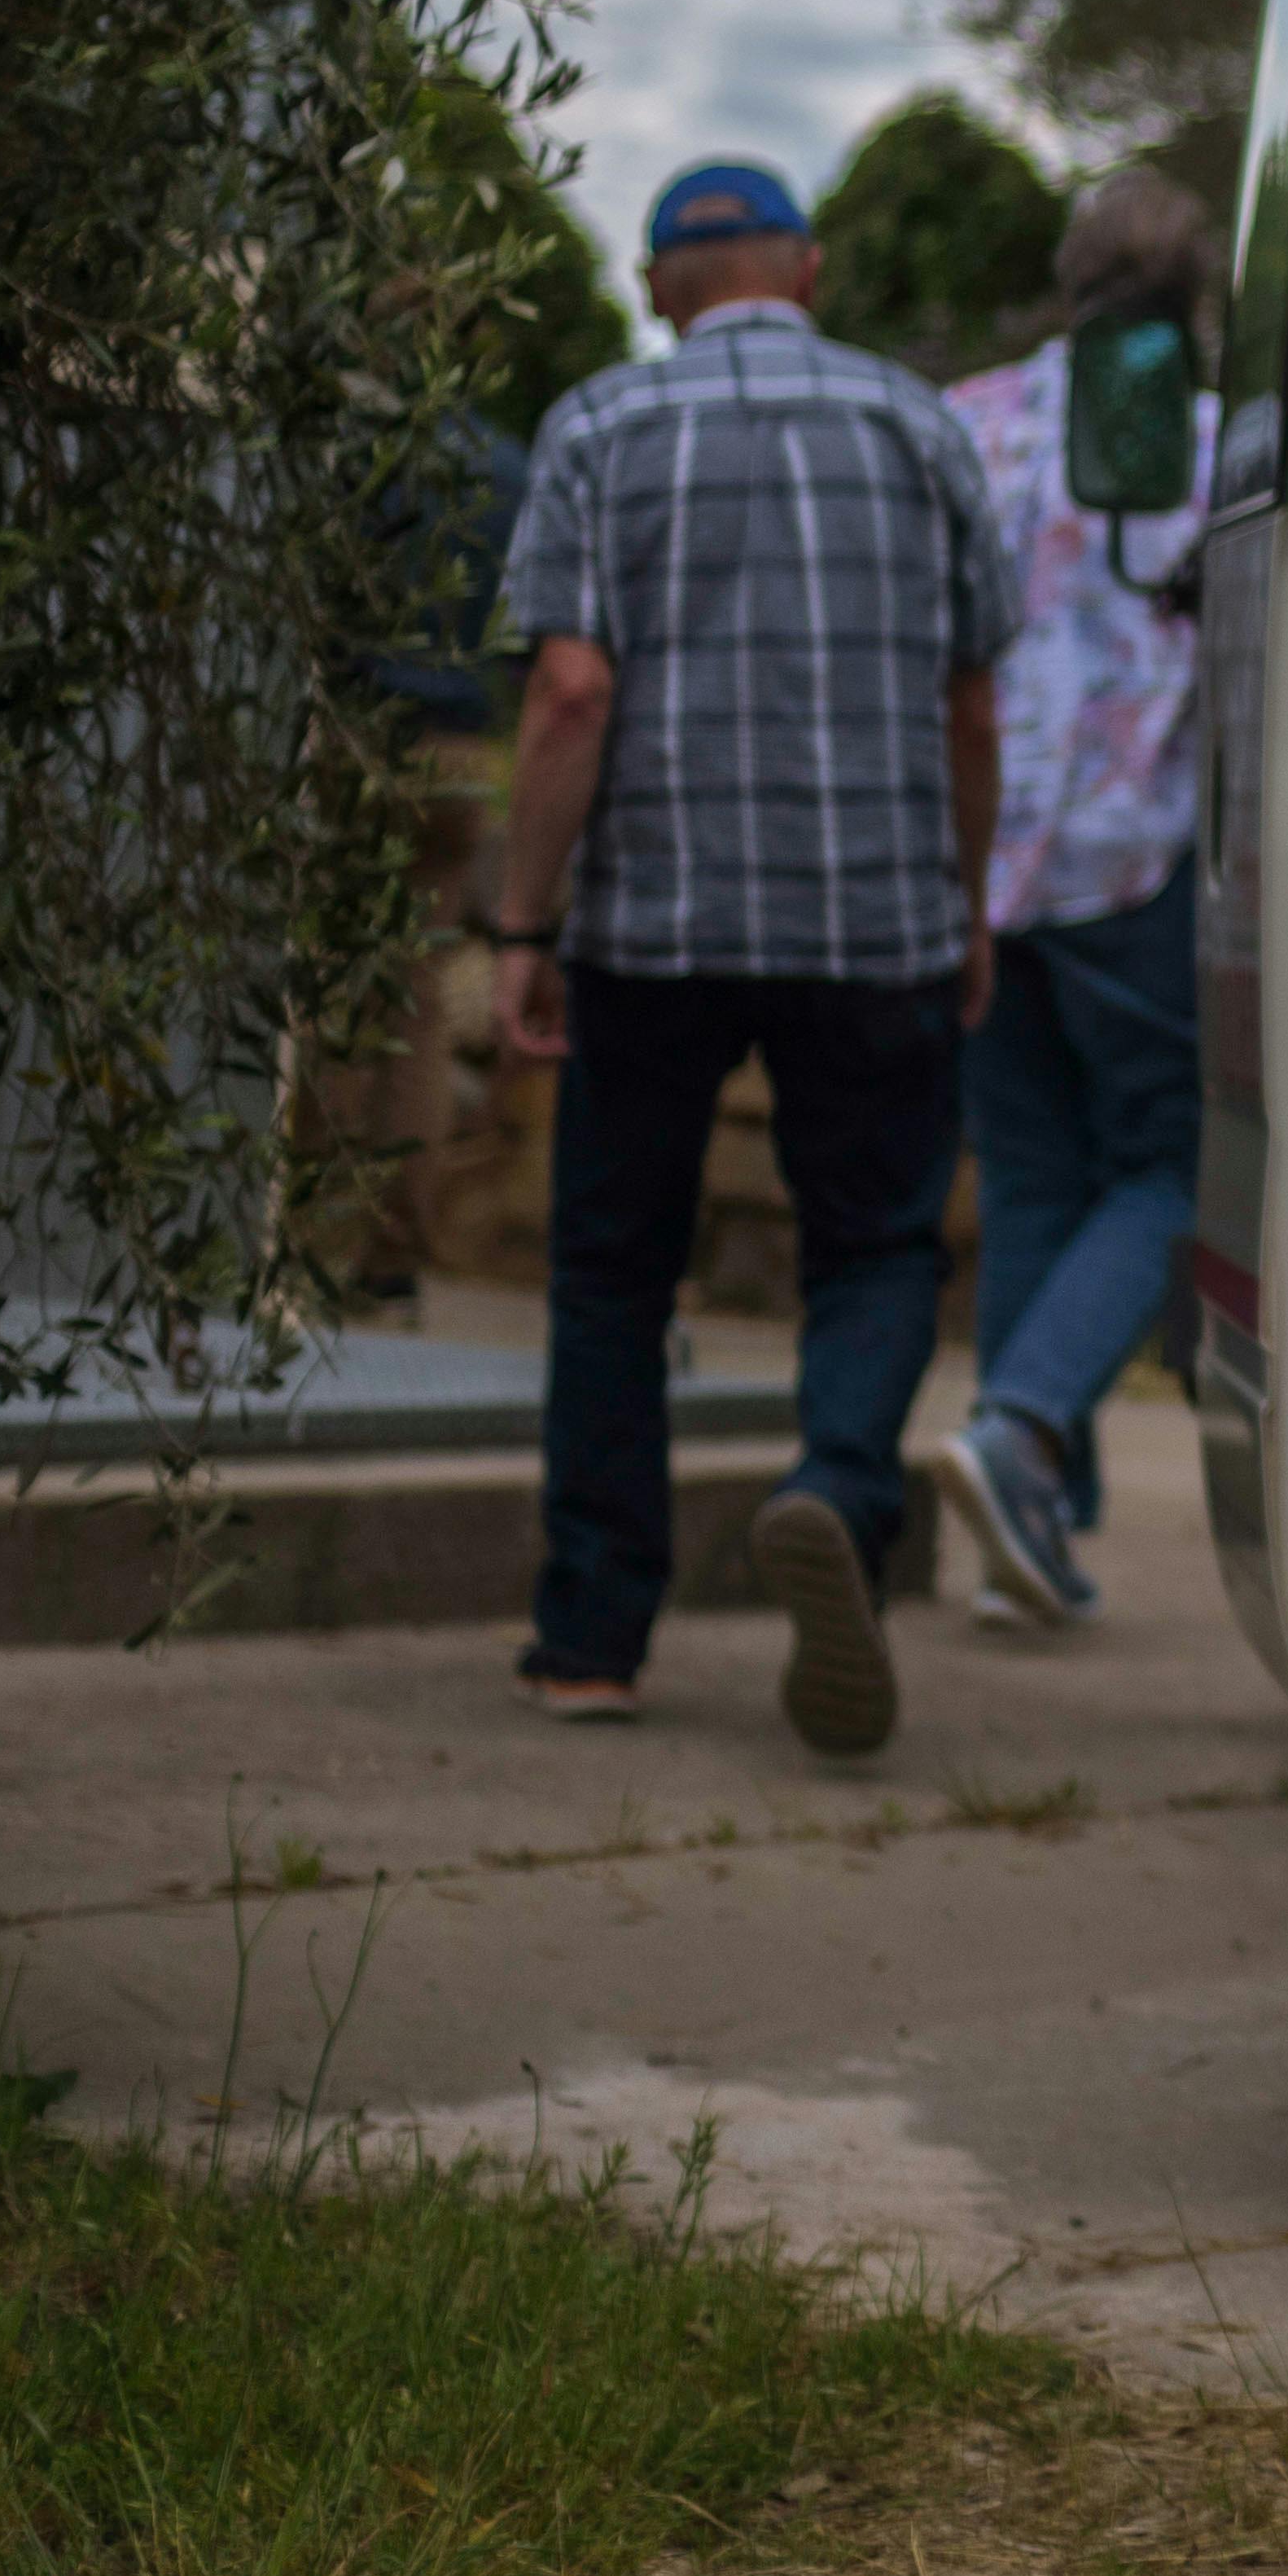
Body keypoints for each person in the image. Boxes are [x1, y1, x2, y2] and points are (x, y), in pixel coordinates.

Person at [488, 157, 1011, 1751]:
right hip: (874, 923)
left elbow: (571, 692)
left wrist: (526, 914)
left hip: (656, 926)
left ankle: (591, 1643)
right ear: (810, 267)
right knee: (873, 1248)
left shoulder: (596, 425)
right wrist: (965, 899)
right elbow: (972, 707)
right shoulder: (922, 428)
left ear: (661, 284)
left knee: (609, 1272)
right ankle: (839, 1496)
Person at [920, 169, 1218, 1630]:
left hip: (980, 860)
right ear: (1197, 295)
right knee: (1180, 1164)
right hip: (1132, 858)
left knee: (1032, 1174)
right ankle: (1025, 1430)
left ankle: (1026, 1531)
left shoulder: (967, 422)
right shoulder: (1219, 444)